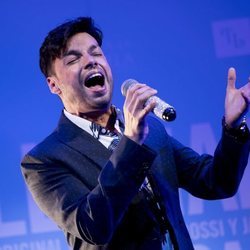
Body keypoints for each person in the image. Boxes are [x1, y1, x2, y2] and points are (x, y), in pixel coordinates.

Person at [21, 17, 250, 250]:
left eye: (96, 53)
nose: (91, 62)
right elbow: (93, 225)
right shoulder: (43, 160)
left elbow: (216, 182)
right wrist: (130, 142)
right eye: (74, 59)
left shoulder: (151, 130)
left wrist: (233, 127)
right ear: (53, 85)